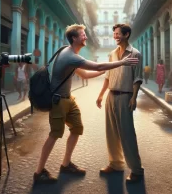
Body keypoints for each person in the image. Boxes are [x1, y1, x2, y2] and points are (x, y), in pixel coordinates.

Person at [33, 24, 139, 184]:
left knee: (76, 128)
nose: (86, 37)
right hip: (58, 101)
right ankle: (39, 171)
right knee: (54, 135)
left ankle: (66, 164)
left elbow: (84, 74)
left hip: (68, 99)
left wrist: (106, 71)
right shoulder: (70, 56)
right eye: (83, 35)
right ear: (74, 38)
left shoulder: (70, 53)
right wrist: (120, 63)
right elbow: (98, 65)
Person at [96, 23, 144, 184]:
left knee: (127, 133)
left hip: (125, 96)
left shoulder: (135, 54)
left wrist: (134, 97)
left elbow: (137, 78)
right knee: (111, 132)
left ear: (127, 34)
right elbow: (108, 76)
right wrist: (101, 95)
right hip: (111, 95)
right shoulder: (112, 54)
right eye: (114, 34)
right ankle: (115, 164)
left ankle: (136, 170)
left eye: (118, 34)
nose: (115, 36)